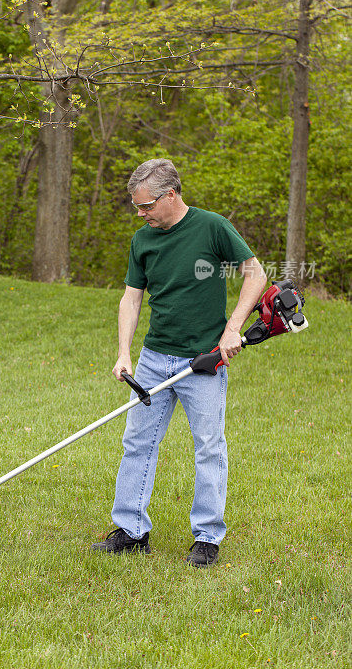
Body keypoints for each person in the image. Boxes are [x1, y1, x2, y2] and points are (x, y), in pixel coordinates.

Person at [91, 159, 267, 566]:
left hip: (203, 361)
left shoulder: (212, 227)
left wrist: (232, 328)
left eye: (146, 205)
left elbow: (255, 274)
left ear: (170, 194)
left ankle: (207, 538)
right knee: (137, 443)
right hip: (154, 359)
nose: (141, 213)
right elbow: (131, 298)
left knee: (208, 447)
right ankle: (132, 530)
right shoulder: (143, 239)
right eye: (137, 207)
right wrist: (124, 353)